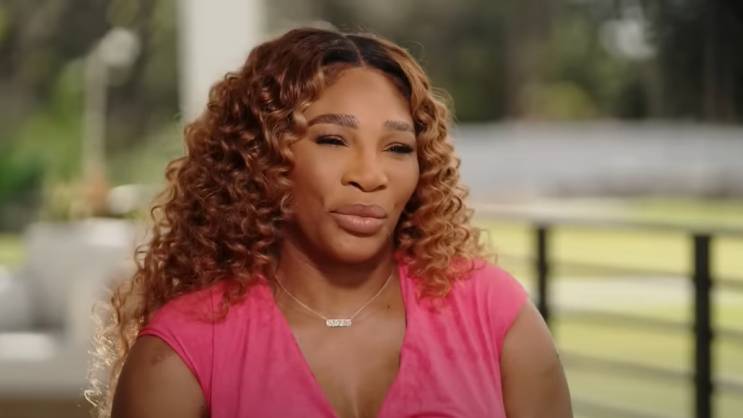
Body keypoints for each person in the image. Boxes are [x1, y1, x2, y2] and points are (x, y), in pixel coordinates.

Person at [88, 27, 572, 418]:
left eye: (398, 147)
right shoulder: (179, 356)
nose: (370, 175)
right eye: (333, 140)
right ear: (263, 159)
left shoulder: (497, 317)